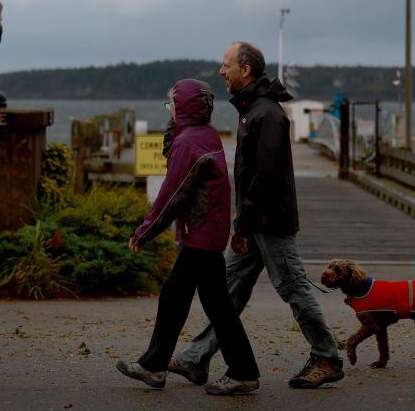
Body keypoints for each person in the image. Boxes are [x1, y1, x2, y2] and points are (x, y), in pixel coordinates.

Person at [168, 42, 345, 389]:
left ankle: (327, 356)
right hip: (253, 221)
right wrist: (243, 220)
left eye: (226, 65)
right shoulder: (253, 110)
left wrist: (243, 222)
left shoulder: (267, 114)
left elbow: (265, 177)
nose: (221, 72)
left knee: (293, 287)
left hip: (269, 223)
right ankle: (196, 359)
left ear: (245, 70)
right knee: (228, 288)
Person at [117, 79, 260, 396]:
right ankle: (162, 367)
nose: (170, 110)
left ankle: (160, 367)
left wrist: (144, 231)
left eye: (173, 105)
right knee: (207, 302)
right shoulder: (204, 134)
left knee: (179, 298)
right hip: (210, 229)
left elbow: (172, 195)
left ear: (186, 108)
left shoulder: (189, 143)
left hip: (201, 232)